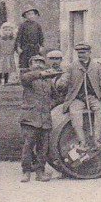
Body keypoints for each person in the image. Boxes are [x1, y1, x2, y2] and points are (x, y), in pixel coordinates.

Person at [18, 54, 60, 182]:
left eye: (41, 62)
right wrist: (41, 73)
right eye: (35, 62)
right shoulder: (27, 77)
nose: (38, 64)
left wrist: (49, 105)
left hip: (45, 119)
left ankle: (40, 172)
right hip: (30, 119)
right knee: (28, 146)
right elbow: (26, 78)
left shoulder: (48, 81)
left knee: (43, 148)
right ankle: (26, 172)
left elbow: (56, 97)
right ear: (30, 65)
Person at [59, 43, 101, 153]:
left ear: (89, 53)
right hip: (77, 98)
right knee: (75, 114)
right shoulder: (71, 66)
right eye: (79, 53)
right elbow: (65, 78)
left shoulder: (97, 66)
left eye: (83, 52)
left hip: (92, 97)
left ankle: (97, 140)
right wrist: (61, 83)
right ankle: (82, 143)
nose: (81, 55)